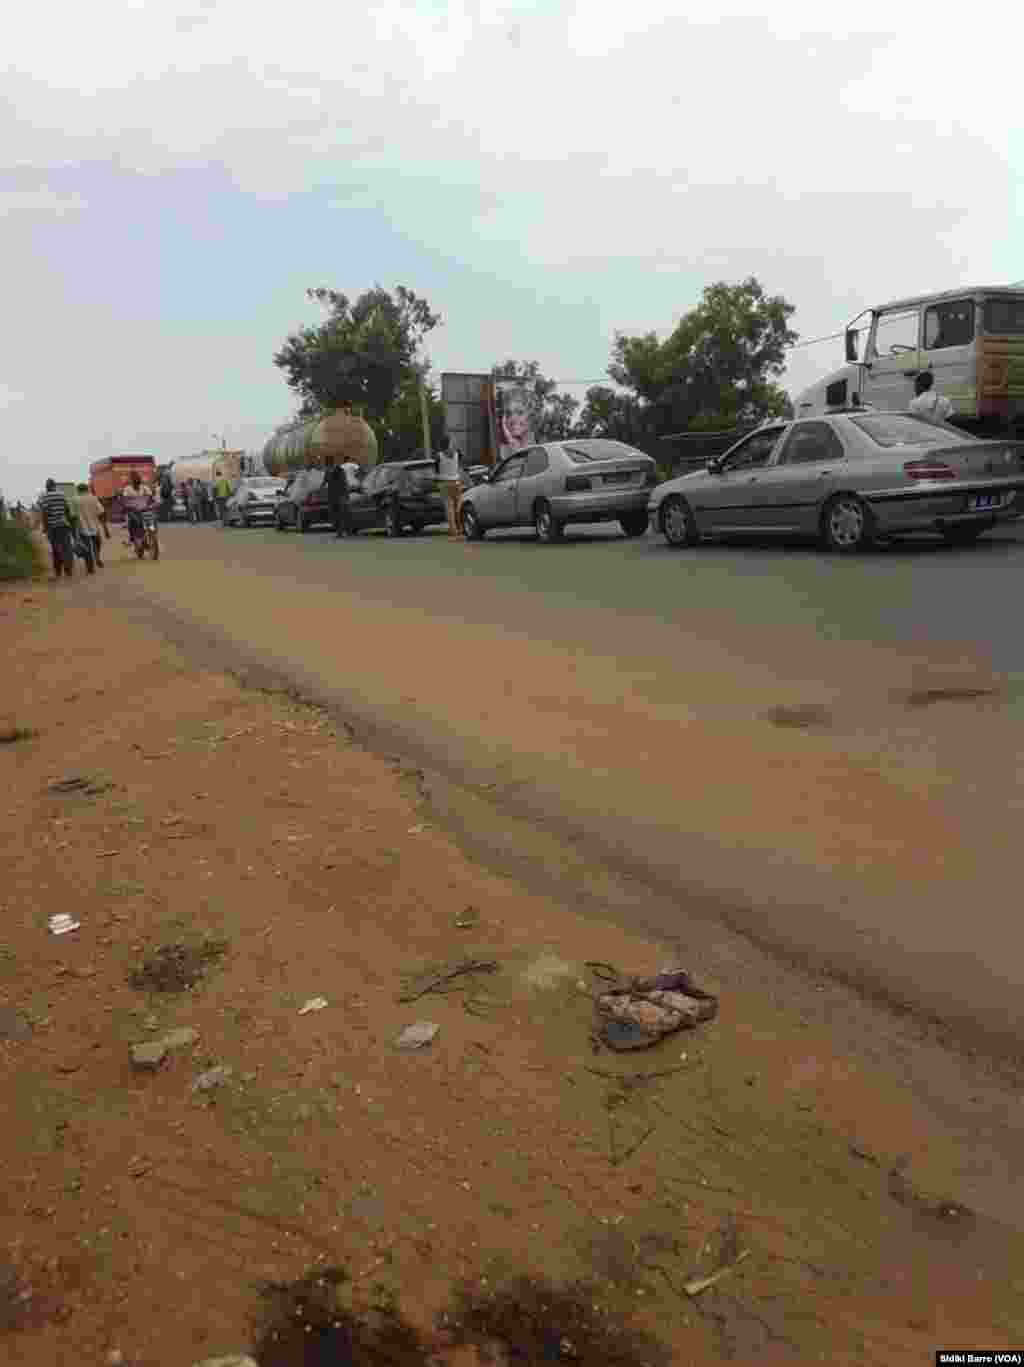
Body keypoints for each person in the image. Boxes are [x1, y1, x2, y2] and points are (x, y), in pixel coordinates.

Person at [38, 479, 75, 579]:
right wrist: (70, 523)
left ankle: (58, 571)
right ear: (54, 486)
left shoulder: (44, 497)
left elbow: (44, 513)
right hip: (64, 525)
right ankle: (69, 570)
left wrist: (45, 527)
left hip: (52, 527)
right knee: (67, 547)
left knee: (55, 549)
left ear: (46, 487)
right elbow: (67, 510)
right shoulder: (62, 495)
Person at [76, 483, 109, 568]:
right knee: (97, 543)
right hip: (95, 526)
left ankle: (89, 565)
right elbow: (101, 512)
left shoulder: (75, 500)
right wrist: (105, 528)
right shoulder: (93, 498)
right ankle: (97, 557)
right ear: (87, 489)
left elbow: (74, 516)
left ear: (78, 490)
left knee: (86, 546)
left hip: (82, 527)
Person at [436, 436, 462, 539]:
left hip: (444, 483)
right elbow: (460, 462)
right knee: (459, 505)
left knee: (449, 508)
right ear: (449, 443)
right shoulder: (457, 453)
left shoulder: (439, 456)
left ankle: (453, 530)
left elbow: (437, 470)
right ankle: (462, 527)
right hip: (456, 482)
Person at [122, 469, 155, 549]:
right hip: (132, 511)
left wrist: (152, 503)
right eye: (135, 480)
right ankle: (131, 539)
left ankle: (151, 534)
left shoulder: (144, 488)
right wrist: (128, 506)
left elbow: (150, 498)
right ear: (132, 481)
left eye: (138, 480)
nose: (137, 482)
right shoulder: (127, 489)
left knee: (152, 521)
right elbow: (125, 500)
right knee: (130, 522)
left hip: (144, 510)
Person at [323, 455, 352, 538]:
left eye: (327, 463)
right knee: (334, 514)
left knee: (341, 514)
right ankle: (340, 531)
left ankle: (342, 532)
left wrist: (345, 494)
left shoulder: (339, 470)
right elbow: (324, 482)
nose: (327, 465)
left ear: (330, 463)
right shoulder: (328, 471)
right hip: (333, 496)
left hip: (341, 495)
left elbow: (344, 481)